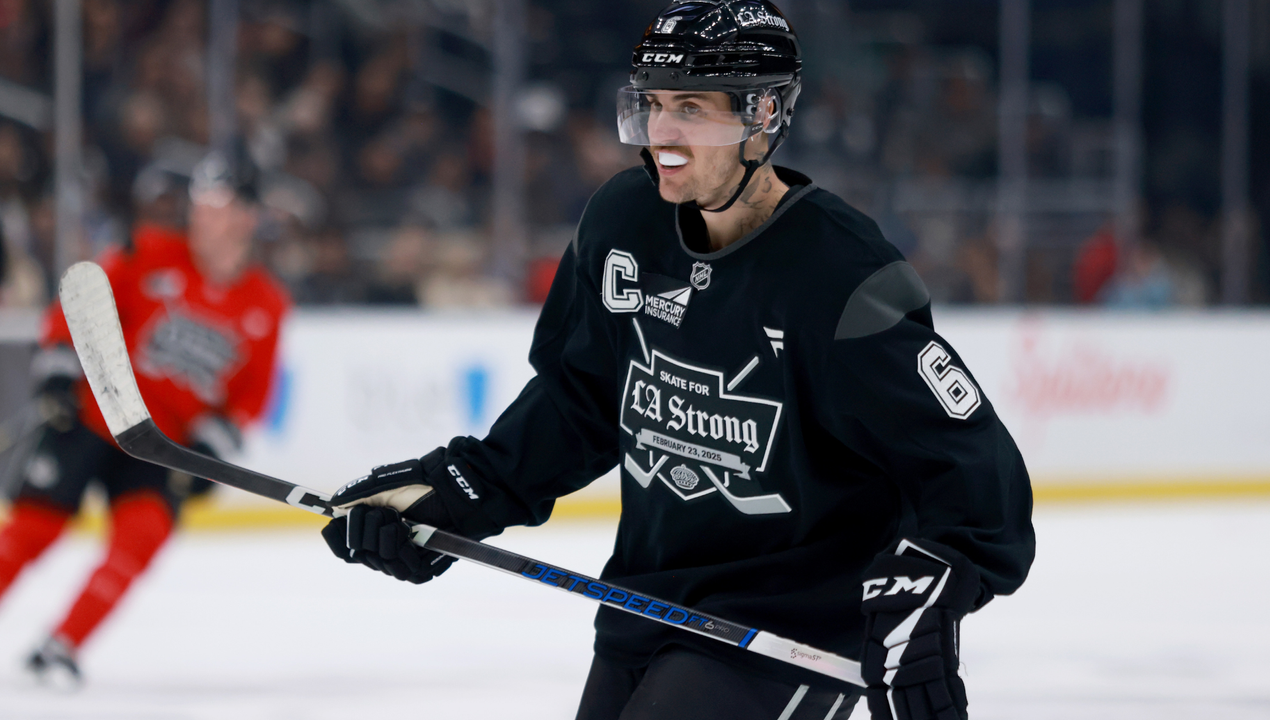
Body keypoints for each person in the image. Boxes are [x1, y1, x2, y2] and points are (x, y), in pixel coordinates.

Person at [320, 3, 1034, 720]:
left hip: (786, 631)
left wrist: (930, 581)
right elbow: (583, 401)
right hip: (646, 605)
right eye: (653, 105)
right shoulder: (623, 222)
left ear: (762, 113)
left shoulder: (839, 275)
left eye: (690, 107)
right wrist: (466, 488)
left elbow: (973, 472)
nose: (661, 133)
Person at [0, 151, 290, 687]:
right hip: (90, 415)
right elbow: (81, 298)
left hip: (158, 444)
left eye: (220, 206)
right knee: (33, 530)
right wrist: (60, 364)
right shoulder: (151, 253)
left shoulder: (266, 305)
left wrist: (213, 447)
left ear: (249, 216)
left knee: (143, 534)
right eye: (201, 205)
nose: (204, 217)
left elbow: (251, 398)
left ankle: (61, 646)